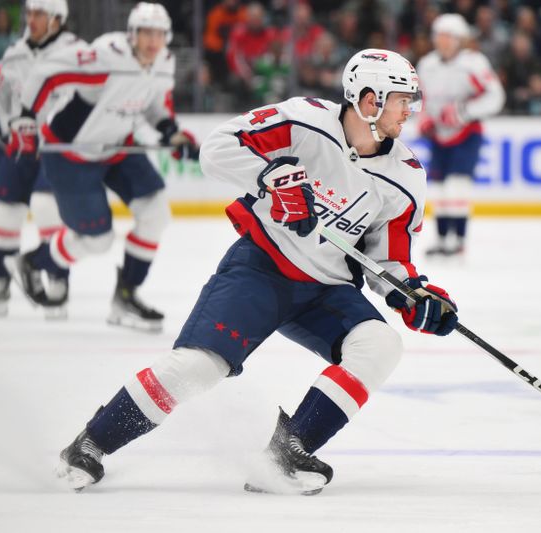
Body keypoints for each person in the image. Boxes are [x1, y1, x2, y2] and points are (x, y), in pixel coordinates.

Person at [55, 48, 459, 495]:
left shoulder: (405, 176)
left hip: (326, 292)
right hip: (260, 269)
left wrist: (412, 294)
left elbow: (388, 261)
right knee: (198, 367)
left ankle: (287, 452)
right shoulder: (303, 120)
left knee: (381, 343)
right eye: (402, 99)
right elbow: (217, 149)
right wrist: (271, 178)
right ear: (369, 100)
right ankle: (91, 443)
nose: (411, 110)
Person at [8, 2, 199, 330]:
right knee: (98, 240)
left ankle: (126, 296)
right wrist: (26, 118)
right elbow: (47, 73)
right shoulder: (106, 56)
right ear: (132, 34)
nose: (153, 41)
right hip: (71, 156)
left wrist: (171, 132)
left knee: (155, 212)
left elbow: (156, 103)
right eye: (146, 33)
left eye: (159, 34)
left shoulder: (164, 62)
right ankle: (33, 261)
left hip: (117, 147)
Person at [0, 0, 80, 317]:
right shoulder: (16, 53)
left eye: (39, 14)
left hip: (55, 148)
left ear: (57, 19)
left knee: (46, 207)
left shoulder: (76, 54)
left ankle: (57, 282)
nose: (31, 19)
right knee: (6, 214)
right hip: (20, 146)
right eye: (30, 13)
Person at [416, 13, 504, 256]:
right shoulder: (427, 65)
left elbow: (495, 96)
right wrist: (423, 120)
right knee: (440, 188)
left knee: (458, 185)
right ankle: (444, 240)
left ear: (459, 40)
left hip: (466, 133)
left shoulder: (473, 64)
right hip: (438, 135)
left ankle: (459, 241)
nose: (443, 42)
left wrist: (462, 112)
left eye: (449, 37)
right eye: (440, 36)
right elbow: (421, 99)